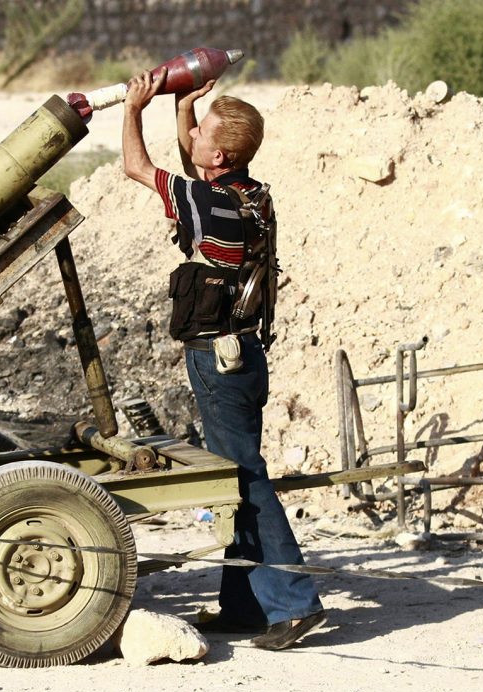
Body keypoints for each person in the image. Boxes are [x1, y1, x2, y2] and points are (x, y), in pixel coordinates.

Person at [121, 69, 326, 650]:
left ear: (221, 153)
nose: (191, 140)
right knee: (231, 480)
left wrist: (134, 109)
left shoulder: (212, 203)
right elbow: (195, 165)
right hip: (244, 353)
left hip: (219, 356)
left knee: (243, 479)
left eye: (200, 133)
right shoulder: (247, 195)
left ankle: (294, 601)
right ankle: (244, 605)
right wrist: (185, 107)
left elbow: (138, 169)